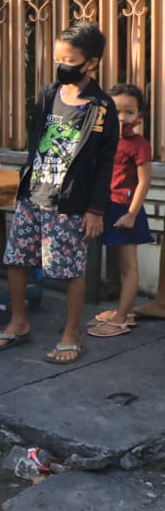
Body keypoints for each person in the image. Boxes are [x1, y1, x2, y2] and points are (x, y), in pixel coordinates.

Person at [0, 21, 117, 365]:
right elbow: (35, 144)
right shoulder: (47, 94)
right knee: (16, 259)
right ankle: (18, 322)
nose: (61, 65)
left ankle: (71, 335)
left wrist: (96, 210)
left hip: (70, 201)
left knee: (70, 269)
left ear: (91, 62)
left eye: (69, 59)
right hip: (33, 194)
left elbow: (105, 162)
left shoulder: (101, 107)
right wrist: (23, 183)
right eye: (58, 58)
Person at [86, 83, 152, 338]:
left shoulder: (139, 145)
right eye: (116, 111)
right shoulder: (103, 140)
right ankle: (124, 311)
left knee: (128, 268)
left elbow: (144, 182)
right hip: (106, 207)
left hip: (126, 209)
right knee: (120, 265)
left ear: (139, 116)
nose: (122, 117)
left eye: (129, 112)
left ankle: (121, 319)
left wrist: (132, 215)